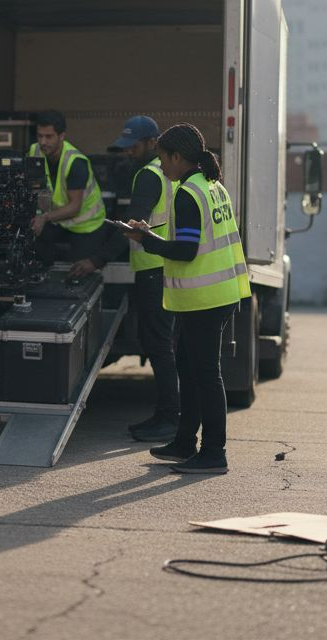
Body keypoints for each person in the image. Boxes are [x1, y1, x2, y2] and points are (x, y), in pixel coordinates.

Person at [119, 123, 250, 474]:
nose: (161, 167)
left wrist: (144, 239)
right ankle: (184, 442)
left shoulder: (187, 193)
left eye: (163, 159)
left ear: (177, 157)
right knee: (189, 371)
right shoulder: (211, 185)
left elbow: (186, 250)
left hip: (205, 299)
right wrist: (150, 234)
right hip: (217, 294)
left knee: (205, 375)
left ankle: (213, 452)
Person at [68, 115, 179, 442]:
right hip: (163, 268)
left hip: (153, 271)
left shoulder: (148, 176)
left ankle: (169, 419)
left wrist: (96, 259)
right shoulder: (168, 172)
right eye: (125, 147)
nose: (128, 152)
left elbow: (135, 230)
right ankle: (164, 414)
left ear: (152, 142)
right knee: (160, 345)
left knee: (159, 346)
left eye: (134, 146)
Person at [27, 110, 107, 264]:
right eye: (39, 136)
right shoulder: (34, 151)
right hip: (58, 221)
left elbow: (74, 207)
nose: (43, 142)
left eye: (49, 136)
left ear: (62, 136)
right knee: (34, 250)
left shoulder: (76, 163)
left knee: (77, 271)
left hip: (86, 225)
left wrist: (43, 217)